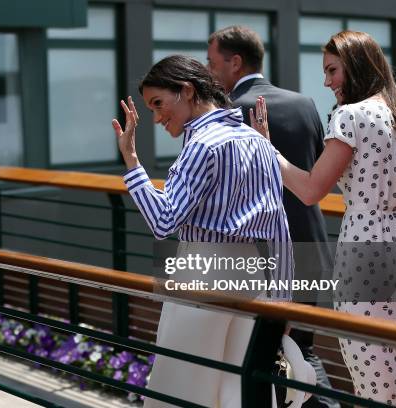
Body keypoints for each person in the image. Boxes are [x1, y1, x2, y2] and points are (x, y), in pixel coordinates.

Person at [111, 54, 293, 407]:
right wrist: (284, 300)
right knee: (238, 388)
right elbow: (278, 225)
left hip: (202, 271)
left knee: (182, 382)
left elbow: (163, 222)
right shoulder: (257, 141)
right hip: (252, 274)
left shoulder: (200, 146)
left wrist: (132, 163)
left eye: (159, 104)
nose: (157, 117)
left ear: (187, 90)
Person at [252, 30, 396, 405]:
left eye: (333, 70)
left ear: (354, 67)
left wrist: (267, 149)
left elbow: (309, 190)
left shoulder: (350, 116)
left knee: (374, 382)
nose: (326, 81)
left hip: (366, 254)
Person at [207, 25, 338, 408]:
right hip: (312, 248)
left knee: (262, 358)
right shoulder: (304, 103)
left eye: (213, 64)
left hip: (261, 257)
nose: (209, 72)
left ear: (235, 62)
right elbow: (315, 177)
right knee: (298, 350)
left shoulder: (225, 113)